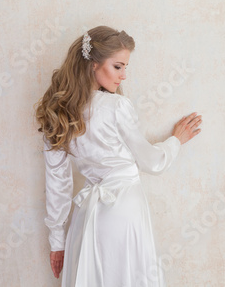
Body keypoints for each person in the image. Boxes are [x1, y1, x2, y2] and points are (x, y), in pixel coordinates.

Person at [34, 26, 202, 286]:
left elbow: (57, 183)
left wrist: (57, 240)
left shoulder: (59, 113)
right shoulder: (116, 107)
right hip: (123, 210)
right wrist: (176, 140)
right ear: (93, 64)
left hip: (86, 217)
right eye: (118, 66)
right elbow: (152, 162)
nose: (124, 76)